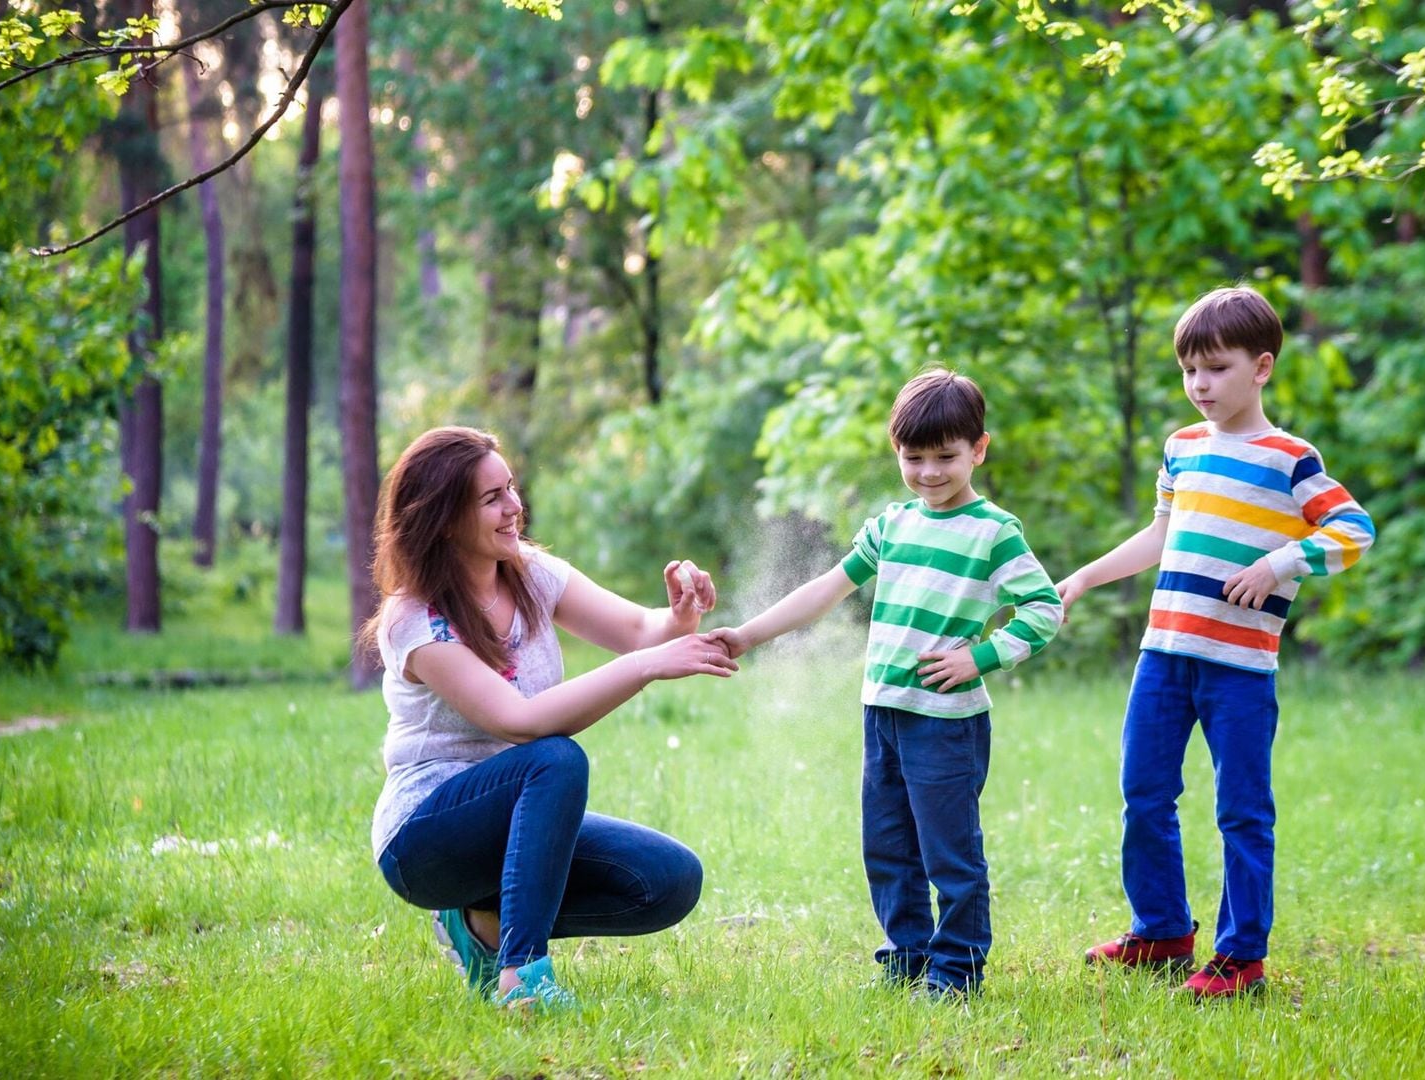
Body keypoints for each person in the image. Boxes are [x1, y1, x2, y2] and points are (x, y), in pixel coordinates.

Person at [1058, 286, 1375, 998]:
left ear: (1261, 368)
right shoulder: (1183, 447)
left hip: (1239, 669)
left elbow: (1355, 530)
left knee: (1241, 810)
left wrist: (1279, 564)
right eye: (1189, 370)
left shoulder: (1289, 458)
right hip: (1163, 656)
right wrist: (1083, 578)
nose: (1199, 384)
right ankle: (1163, 932)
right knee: (1143, 795)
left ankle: (1240, 958)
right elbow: (1159, 535)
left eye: (1217, 368)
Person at [708, 369, 1063, 1000]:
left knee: (950, 854)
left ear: (979, 449)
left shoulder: (993, 532)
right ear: (896, 452)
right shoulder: (892, 525)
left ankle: (956, 971)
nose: (929, 472)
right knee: (888, 846)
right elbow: (825, 590)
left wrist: (981, 657)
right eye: (913, 457)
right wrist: (750, 635)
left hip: (946, 721)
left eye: (946, 457)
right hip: (884, 714)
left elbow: (1043, 609)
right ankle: (908, 956)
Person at [363, 426, 737, 1012]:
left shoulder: (529, 572)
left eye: (510, 488)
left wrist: (679, 616)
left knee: (668, 880)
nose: (515, 507)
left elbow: (640, 631)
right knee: (553, 758)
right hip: (426, 839)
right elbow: (521, 721)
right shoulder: (415, 619)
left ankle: (482, 926)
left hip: (516, 819)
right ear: (441, 520)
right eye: (492, 498)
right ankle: (523, 976)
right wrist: (646, 668)